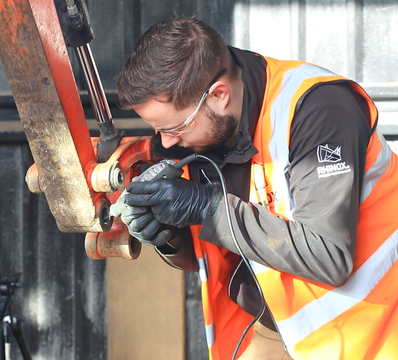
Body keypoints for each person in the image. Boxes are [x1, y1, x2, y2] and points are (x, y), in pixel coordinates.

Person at [115, 17, 398, 360]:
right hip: (280, 328)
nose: (166, 142)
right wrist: (168, 235)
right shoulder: (207, 128)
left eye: (175, 127)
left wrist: (206, 208)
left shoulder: (320, 110)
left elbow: (328, 256)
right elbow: (216, 256)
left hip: (372, 329)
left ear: (220, 95)